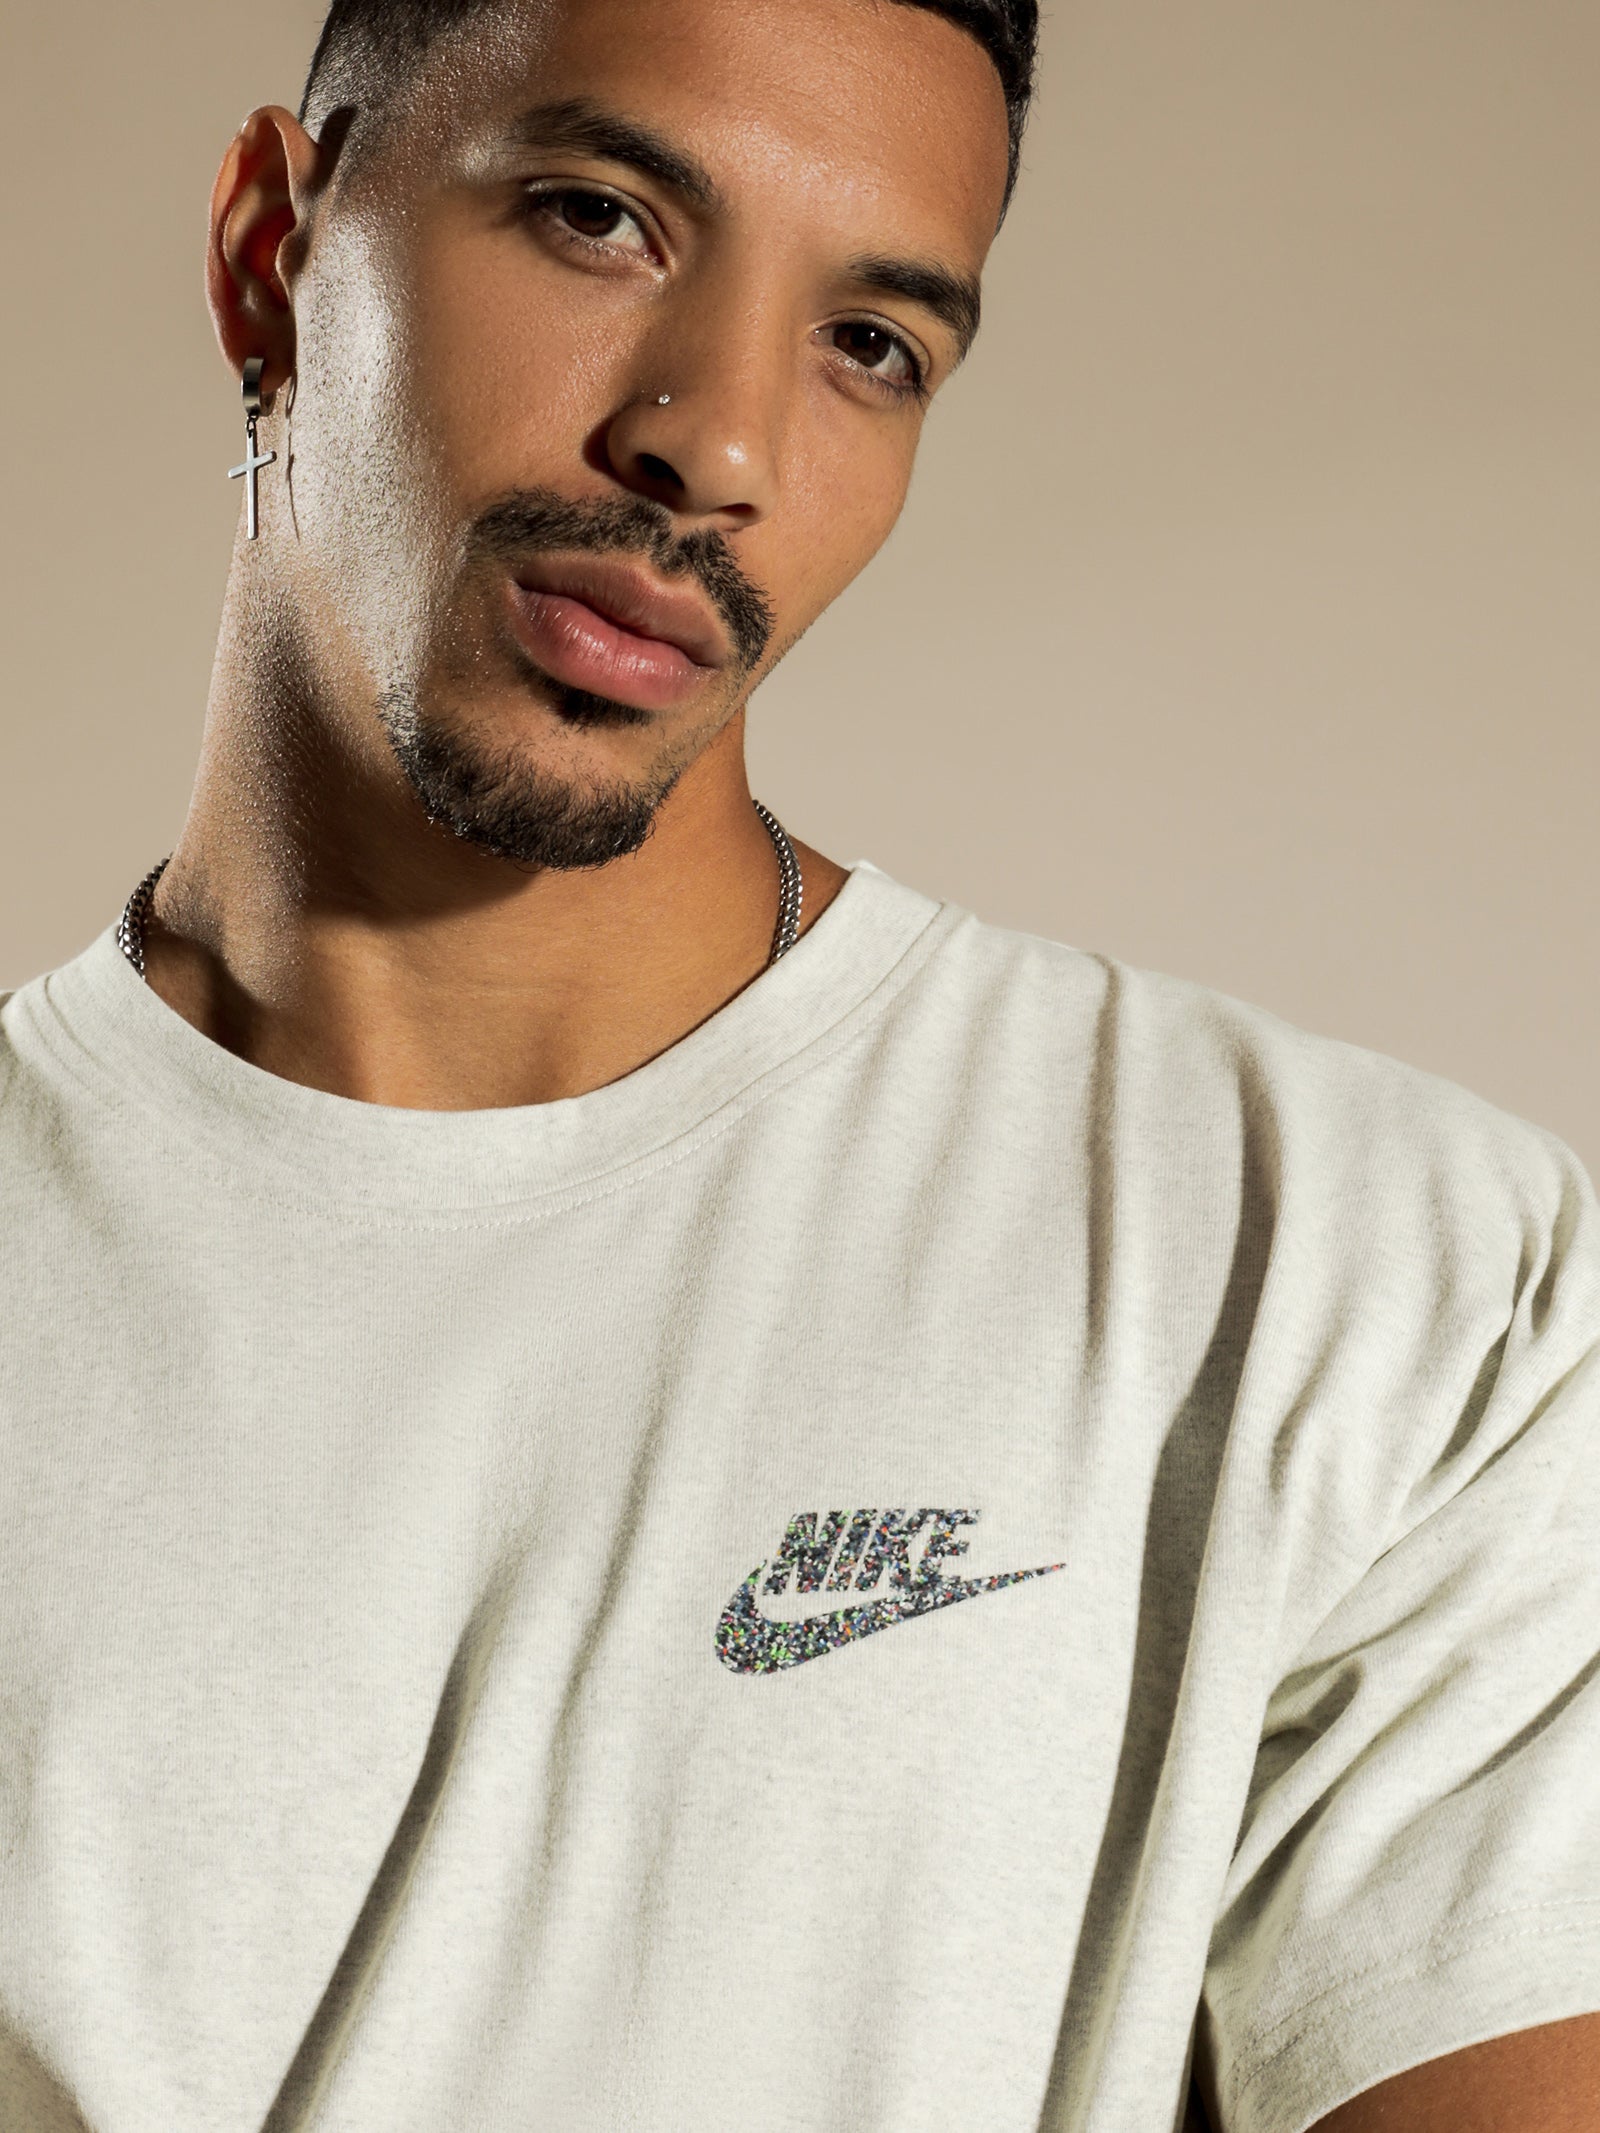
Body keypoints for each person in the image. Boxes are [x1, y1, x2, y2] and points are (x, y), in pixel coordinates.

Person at [2, 0, 1597, 2126]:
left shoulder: (1365, 1276)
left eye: (871, 344)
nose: (717, 444)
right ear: (268, 251)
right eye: (600, 219)